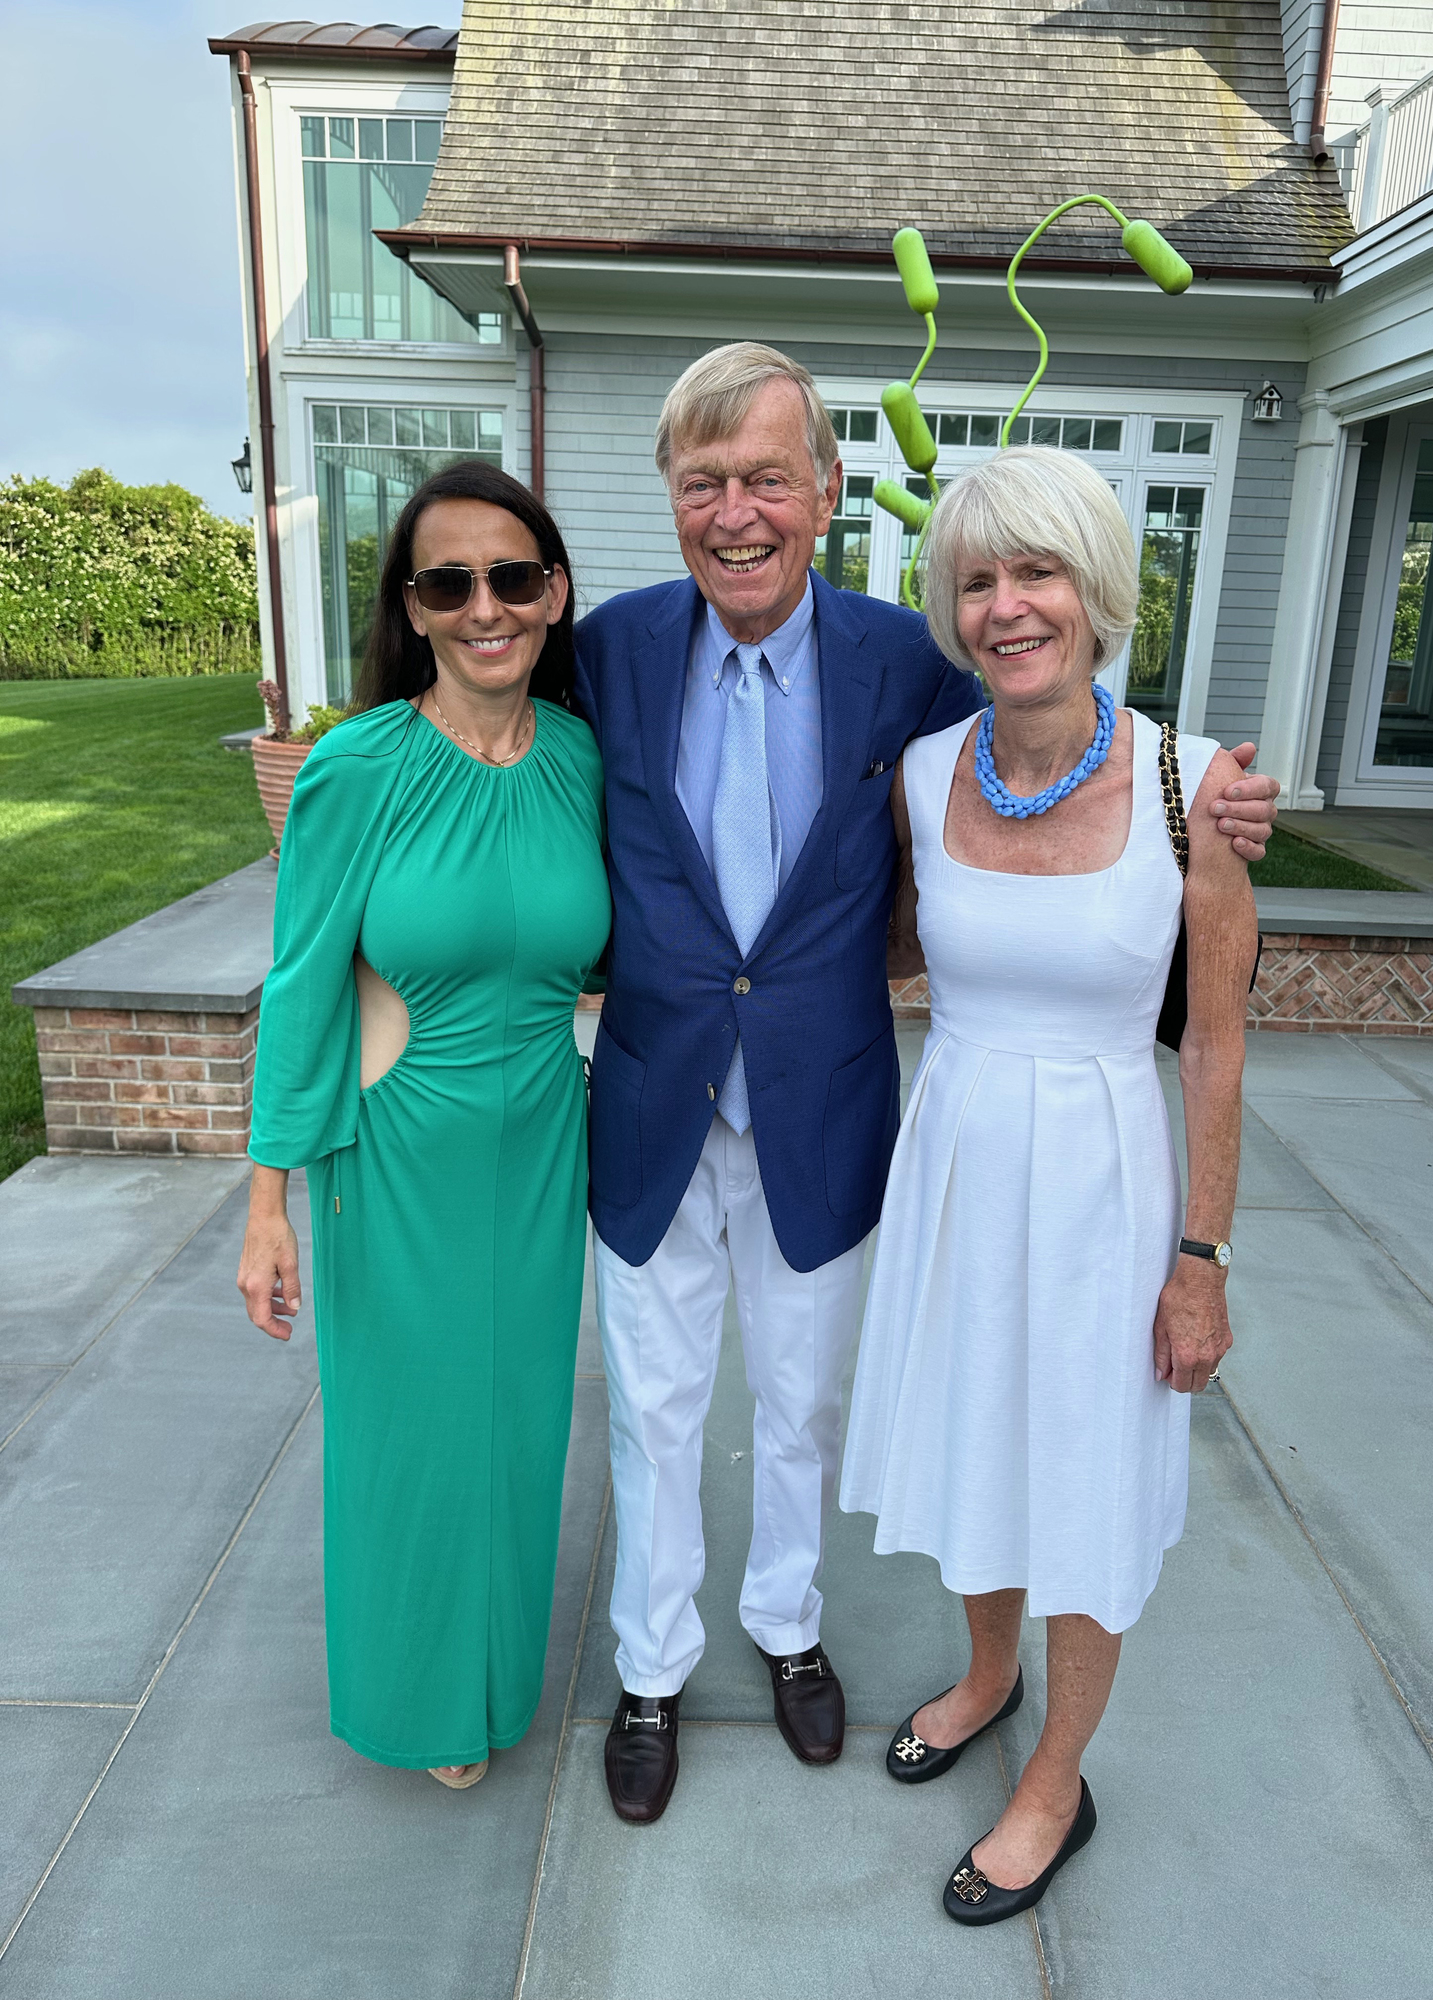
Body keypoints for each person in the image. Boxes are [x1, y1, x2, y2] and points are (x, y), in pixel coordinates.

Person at [572, 344, 1279, 1825]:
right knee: (655, 1405)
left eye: (770, 476)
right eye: (704, 483)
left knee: (806, 1403)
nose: (739, 511)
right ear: (671, 500)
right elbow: (474, 718)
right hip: (662, 1098)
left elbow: (1195, 1014)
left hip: (850, 1114)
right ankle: (651, 1668)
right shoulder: (614, 649)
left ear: (826, 495)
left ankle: (788, 1631)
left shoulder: (905, 664)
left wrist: (1204, 1256)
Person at [839, 446, 1259, 1923]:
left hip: (1103, 1182)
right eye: (978, 579)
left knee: (1079, 1473)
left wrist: (1200, 1254)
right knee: (978, 1436)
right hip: (958, 1160)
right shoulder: (920, 773)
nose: (1008, 606)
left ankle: (1056, 1780)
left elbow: (1213, 1041)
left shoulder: (1191, 785)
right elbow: (887, 949)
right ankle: (989, 1672)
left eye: (1038, 574)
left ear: (1098, 594)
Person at [236, 464, 610, 1788]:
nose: (484, 607)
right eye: (448, 583)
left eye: (511, 577)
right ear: (414, 607)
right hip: (395, 1158)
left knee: (515, 1437)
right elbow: (300, 985)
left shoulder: (577, 757)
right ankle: (422, 1706)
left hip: (539, 1154)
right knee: (410, 1444)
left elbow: (582, 949)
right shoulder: (357, 767)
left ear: (554, 592)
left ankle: (498, 1679)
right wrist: (268, 1202)